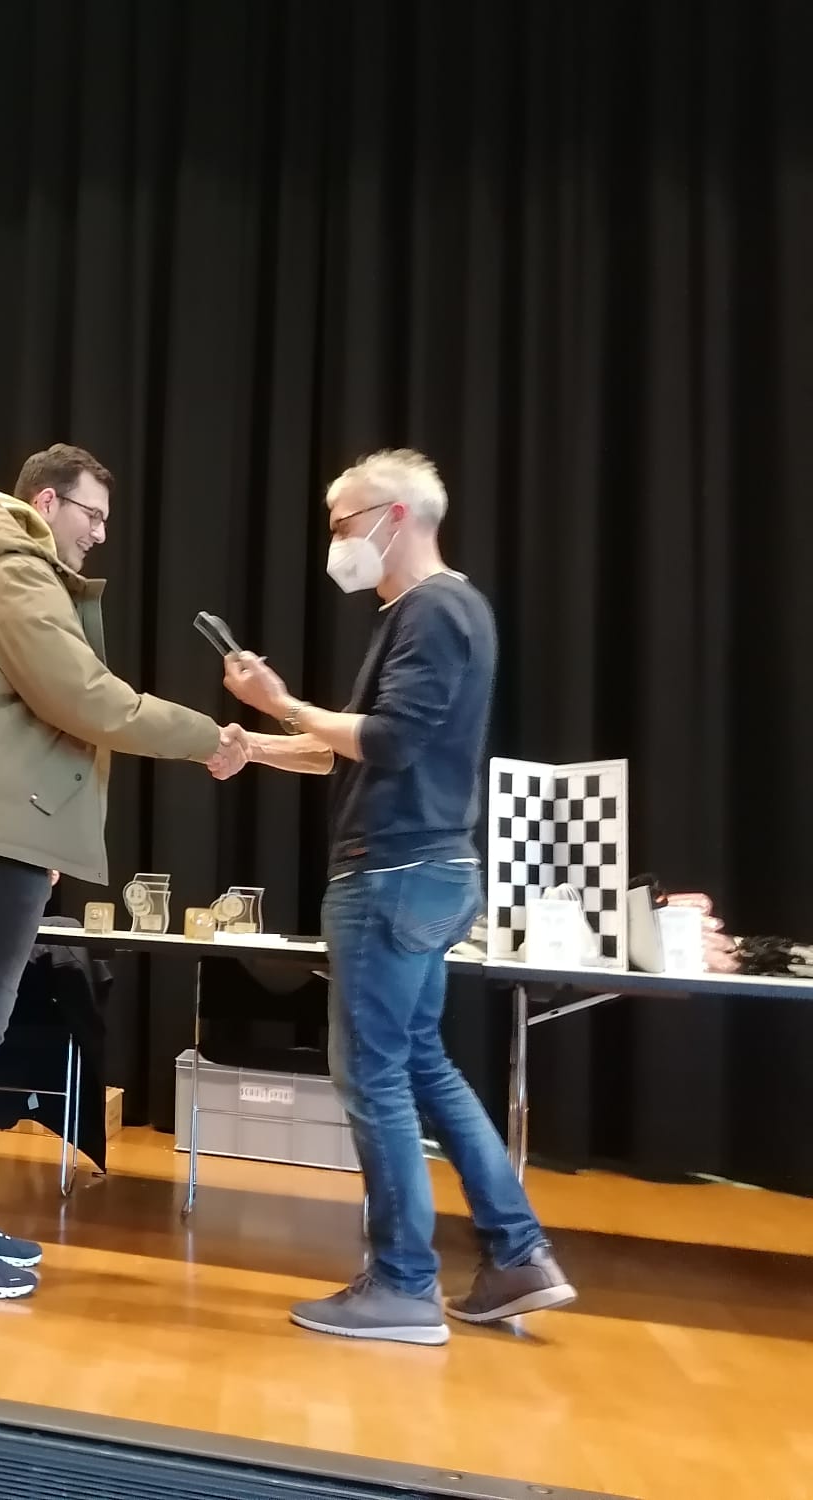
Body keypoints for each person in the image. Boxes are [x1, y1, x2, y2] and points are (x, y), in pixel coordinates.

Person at [0, 444, 244, 1299]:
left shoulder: (5, 570)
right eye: (91, 515)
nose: (100, 534)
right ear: (46, 503)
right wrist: (205, 737)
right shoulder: (16, 574)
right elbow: (85, 697)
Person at [220, 447, 576, 1345]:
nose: (335, 540)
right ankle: (518, 1256)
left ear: (395, 518)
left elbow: (387, 741)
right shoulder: (431, 613)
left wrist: (281, 702)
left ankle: (404, 1286)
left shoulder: (435, 610)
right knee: (421, 1064)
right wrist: (257, 742)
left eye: (342, 522)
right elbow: (351, 747)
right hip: (422, 873)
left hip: (394, 874)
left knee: (374, 1076)